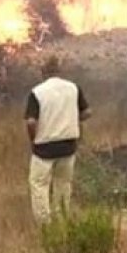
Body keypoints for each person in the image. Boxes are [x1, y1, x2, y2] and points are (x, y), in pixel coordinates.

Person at [24, 55, 92, 223]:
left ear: (43, 72)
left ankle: (45, 226)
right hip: (68, 146)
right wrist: (72, 118)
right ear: (59, 71)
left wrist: (33, 139)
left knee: (39, 185)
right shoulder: (73, 88)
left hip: (44, 148)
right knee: (63, 184)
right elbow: (87, 112)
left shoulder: (37, 92)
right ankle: (62, 222)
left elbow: (31, 121)